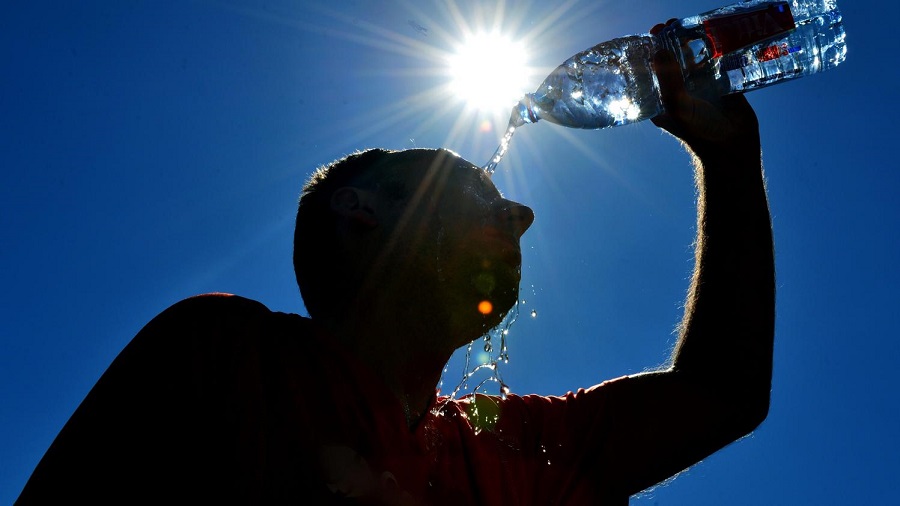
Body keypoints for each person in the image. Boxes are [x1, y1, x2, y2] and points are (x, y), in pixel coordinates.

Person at [16, 31, 775, 505]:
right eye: (477, 189)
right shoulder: (226, 357)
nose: (521, 215)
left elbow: (720, 394)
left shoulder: (516, 447)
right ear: (361, 210)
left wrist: (731, 161)